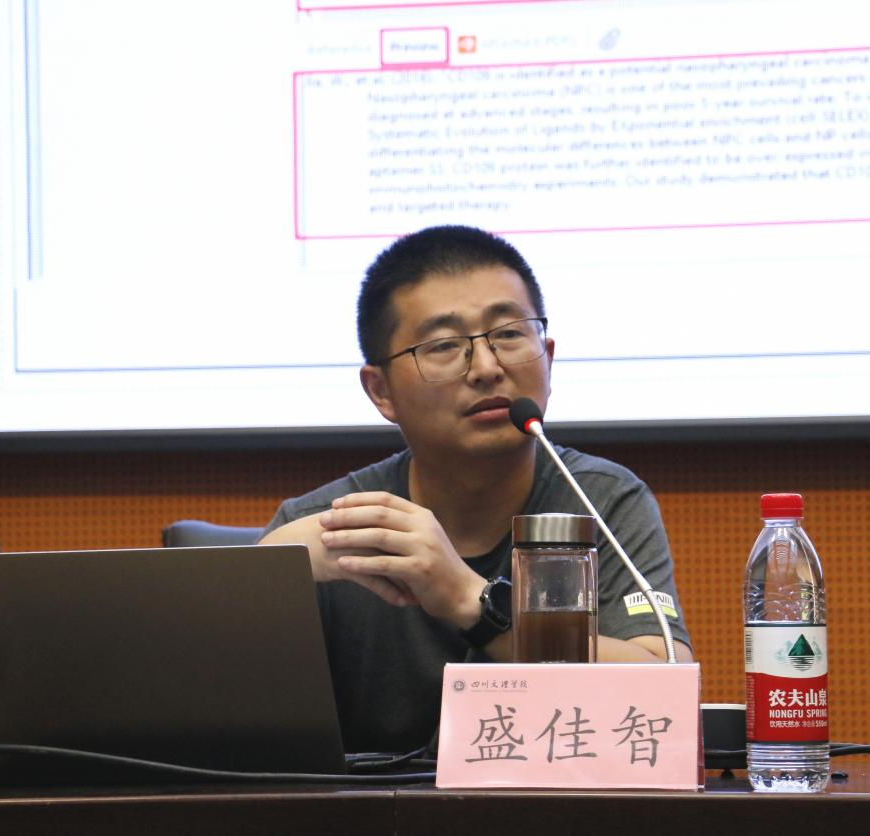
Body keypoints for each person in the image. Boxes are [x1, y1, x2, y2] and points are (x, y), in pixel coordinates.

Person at [260, 225, 692, 754]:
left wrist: (471, 602)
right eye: (444, 345)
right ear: (381, 390)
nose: (487, 368)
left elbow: (666, 685)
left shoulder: (600, 502)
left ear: (548, 357)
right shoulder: (329, 531)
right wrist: (265, 576)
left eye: (508, 335)